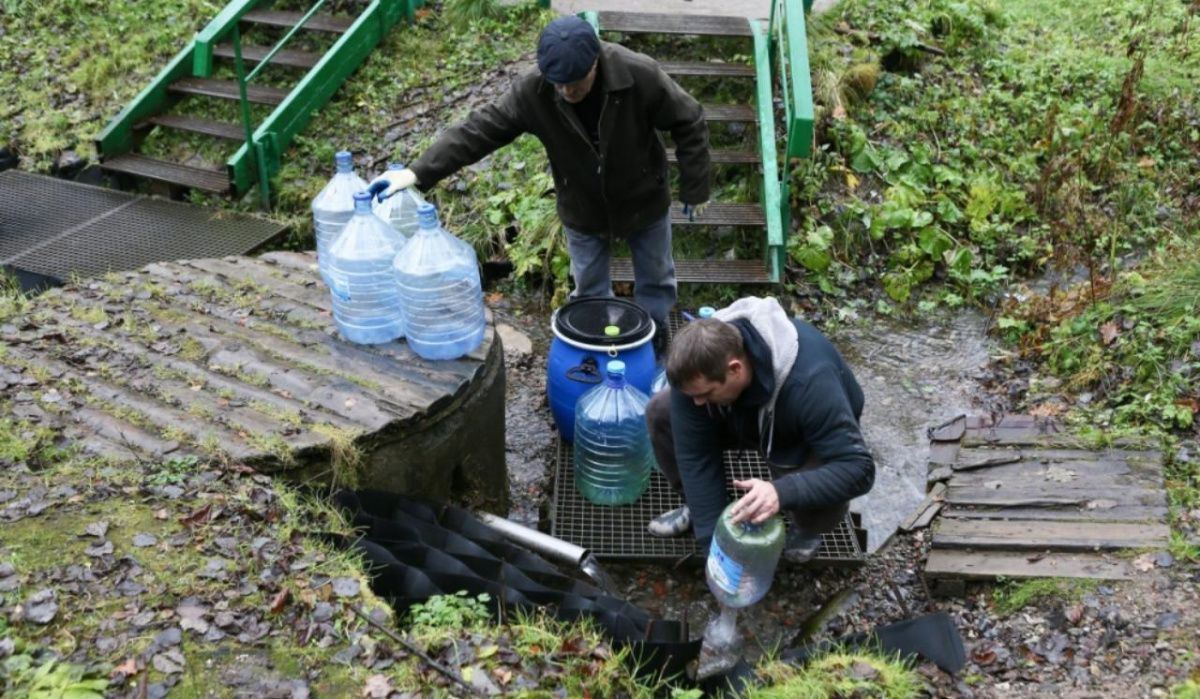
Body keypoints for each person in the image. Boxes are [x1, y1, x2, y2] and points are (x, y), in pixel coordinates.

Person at [372, 15, 712, 351]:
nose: (566, 91)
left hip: (643, 197)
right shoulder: (534, 90)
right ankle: (595, 348)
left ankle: (656, 337)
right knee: (590, 288)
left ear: (595, 62)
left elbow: (689, 118)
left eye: (575, 83)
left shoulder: (638, 74)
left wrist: (695, 187)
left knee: (656, 280)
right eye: (558, 83)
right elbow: (478, 131)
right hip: (582, 204)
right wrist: (417, 173)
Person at [644, 296, 875, 562]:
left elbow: (859, 469)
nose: (697, 402)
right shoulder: (696, 368)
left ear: (735, 369)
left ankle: (809, 528)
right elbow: (696, 456)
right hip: (742, 412)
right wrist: (715, 546)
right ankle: (698, 510)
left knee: (817, 481)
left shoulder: (811, 383)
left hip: (796, 427)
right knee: (662, 412)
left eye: (705, 393)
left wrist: (781, 491)